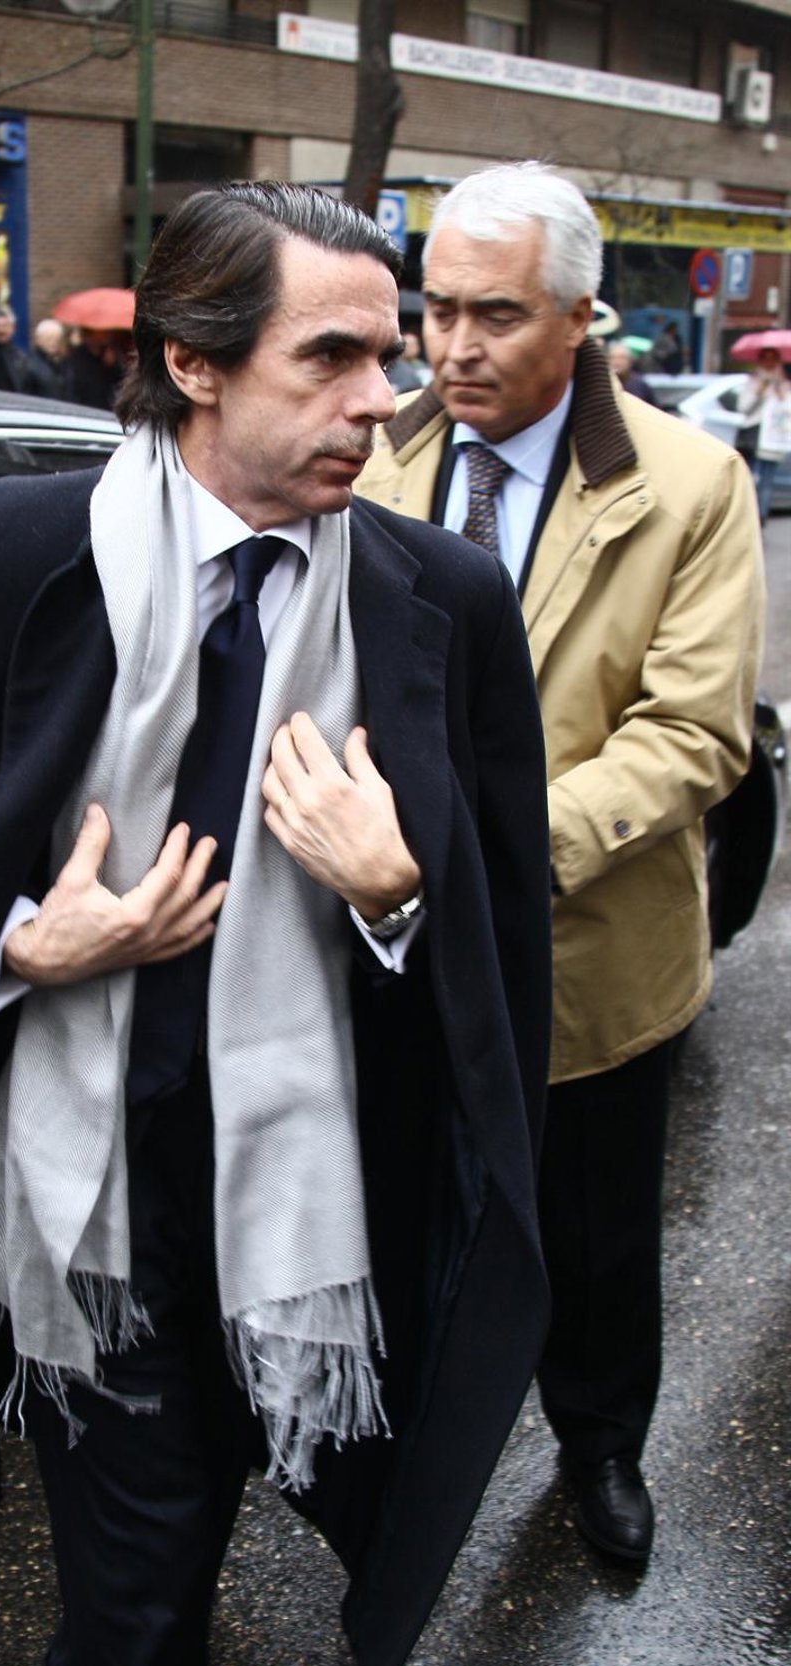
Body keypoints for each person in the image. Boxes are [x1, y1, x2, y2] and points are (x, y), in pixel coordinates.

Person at [0, 180, 552, 1666]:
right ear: (193, 362)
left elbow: (503, 954)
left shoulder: (443, 597)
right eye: (330, 356)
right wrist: (24, 942)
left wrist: (396, 889)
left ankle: (97, 1658)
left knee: (195, 1515)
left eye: (389, 354)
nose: (383, 396)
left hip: (313, 1199)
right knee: (144, 1563)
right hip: (88, 1192)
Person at [357, 162, 764, 1569]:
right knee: (410, 1206)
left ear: (581, 317)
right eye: (437, 309)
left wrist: (491, 858)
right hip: (391, 925)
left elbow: (694, 734)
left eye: (498, 315)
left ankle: (598, 1442)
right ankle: (402, 1462)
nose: (455, 346)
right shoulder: (374, 449)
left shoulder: (691, 481)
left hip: (584, 948)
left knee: (592, 1236)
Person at [739, 346, 791, 526]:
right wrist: (759, 393)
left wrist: (781, 394)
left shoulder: (784, 384)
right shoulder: (753, 381)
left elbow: (786, 411)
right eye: (766, 358)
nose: (769, 363)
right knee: (750, 477)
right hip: (753, 435)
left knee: (767, 479)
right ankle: (746, 515)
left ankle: (761, 516)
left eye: (773, 358)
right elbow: (743, 408)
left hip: (773, 438)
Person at [25, 316, 72, 400]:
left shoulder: (60, 363)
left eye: (56, 339)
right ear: (38, 340)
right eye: (48, 338)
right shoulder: (30, 364)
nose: (53, 342)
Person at [607, 340, 656, 406]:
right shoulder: (603, 385)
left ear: (630, 361)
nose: (617, 362)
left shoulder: (640, 385)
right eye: (613, 358)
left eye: (621, 358)